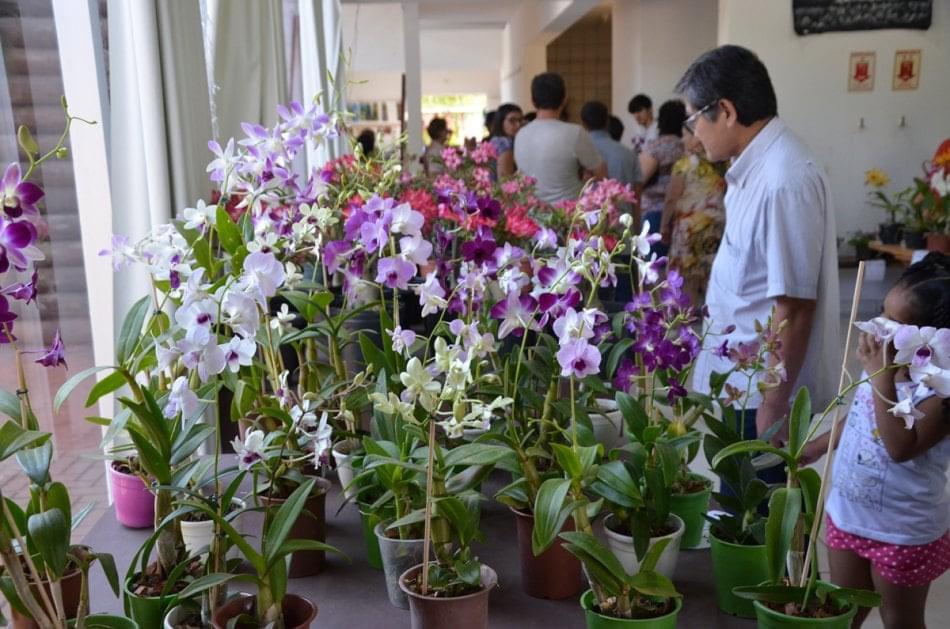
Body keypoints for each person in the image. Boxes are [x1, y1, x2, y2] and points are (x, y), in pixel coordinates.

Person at [681, 45, 840, 484]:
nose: (694, 135)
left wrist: (773, 406)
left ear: (726, 111)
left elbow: (794, 306)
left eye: (694, 119)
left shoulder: (783, 179)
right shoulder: (752, 169)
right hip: (739, 381)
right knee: (736, 503)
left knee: (755, 515)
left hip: (759, 395)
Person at [802, 253, 950, 629]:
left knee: (900, 619)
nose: (879, 327)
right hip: (847, 514)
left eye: (895, 322)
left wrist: (878, 377)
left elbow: (900, 447)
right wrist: (818, 446)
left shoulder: (940, 391)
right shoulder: (885, 366)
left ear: (931, 340)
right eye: (882, 312)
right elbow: (861, 417)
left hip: (901, 531)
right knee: (843, 612)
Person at [514, 72, 606, 203]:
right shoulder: (575, 133)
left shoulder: (520, 135)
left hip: (532, 216)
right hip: (567, 216)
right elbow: (601, 172)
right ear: (564, 99)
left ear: (533, 101)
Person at [661, 128, 725, 306]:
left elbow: (672, 198)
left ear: (697, 137)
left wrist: (664, 225)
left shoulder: (683, 164)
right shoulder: (721, 163)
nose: (682, 139)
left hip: (689, 227)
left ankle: (685, 319)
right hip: (716, 226)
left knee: (685, 275)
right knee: (709, 274)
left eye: (685, 134)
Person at [638, 100, 686, 254]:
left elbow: (640, 178)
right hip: (682, 212)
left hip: (656, 212)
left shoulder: (657, 146)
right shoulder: (688, 146)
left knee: (654, 267)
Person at [580, 100, 641, 190]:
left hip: (585, 204)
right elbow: (637, 191)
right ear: (607, 122)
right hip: (622, 204)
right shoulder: (629, 154)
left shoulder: (577, 153)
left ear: (583, 124)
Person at [489, 103, 524, 180]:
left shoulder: (496, 139)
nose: (518, 124)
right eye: (512, 120)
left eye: (520, 120)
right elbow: (505, 182)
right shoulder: (505, 143)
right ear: (501, 121)